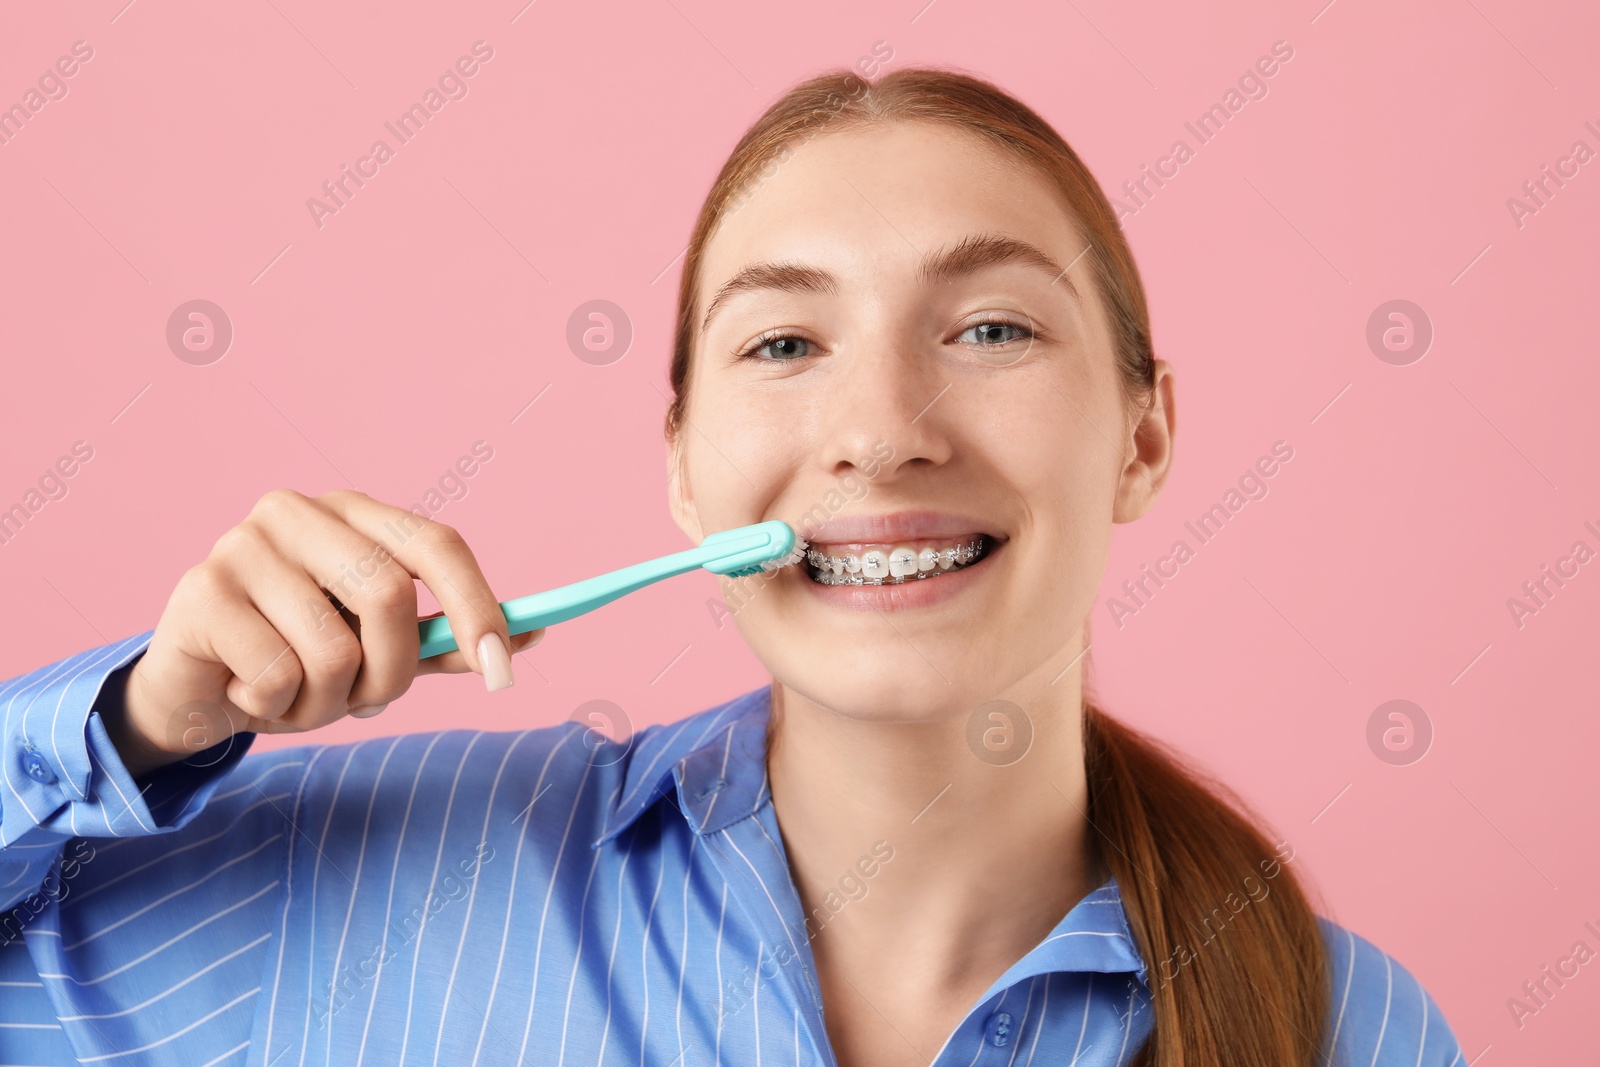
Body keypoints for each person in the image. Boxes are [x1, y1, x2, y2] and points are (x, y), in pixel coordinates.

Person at [0, 67, 1461, 1066]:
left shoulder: (1355, 1028)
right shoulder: (351, 894)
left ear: (1144, 438)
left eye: (991, 329)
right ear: (685, 464)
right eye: (784, 344)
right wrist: (133, 726)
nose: (883, 436)